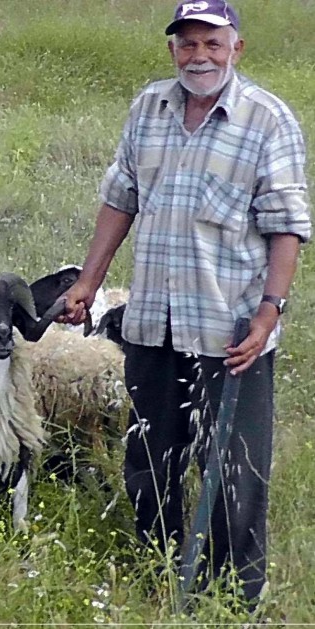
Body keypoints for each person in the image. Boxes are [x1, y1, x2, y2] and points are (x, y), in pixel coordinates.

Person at [60, 0, 311, 605]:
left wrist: (269, 310)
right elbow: (121, 198)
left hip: (230, 329)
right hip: (152, 322)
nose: (199, 57)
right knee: (150, 458)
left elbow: (286, 227)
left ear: (236, 49)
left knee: (235, 470)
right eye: (188, 44)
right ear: (172, 49)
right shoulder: (150, 107)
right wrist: (89, 281)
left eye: (212, 45)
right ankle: (161, 575)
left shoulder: (267, 120)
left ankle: (237, 596)